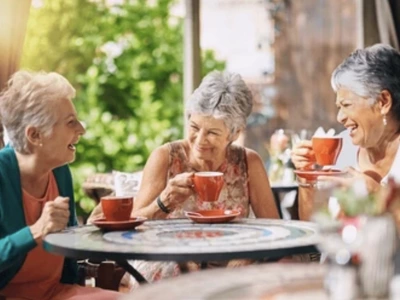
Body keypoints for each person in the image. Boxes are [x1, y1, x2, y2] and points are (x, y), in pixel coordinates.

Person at [89, 70, 278, 287]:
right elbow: (132, 226)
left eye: (213, 133)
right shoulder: (165, 157)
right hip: (165, 257)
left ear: (234, 134)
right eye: (194, 127)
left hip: (229, 260)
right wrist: (165, 202)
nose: (200, 140)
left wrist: (245, 257)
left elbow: (272, 229)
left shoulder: (248, 162)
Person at [0, 71, 121, 299]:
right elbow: (39, 232)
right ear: (35, 135)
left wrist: (95, 228)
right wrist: (35, 231)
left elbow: (67, 242)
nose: (81, 130)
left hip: (56, 293)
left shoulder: (60, 172)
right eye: (70, 122)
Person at [291, 43, 400, 220]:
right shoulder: (341, 147)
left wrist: (377, 193)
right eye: (338, 107)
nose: (340, 117)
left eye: (347, 105)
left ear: (383, 102)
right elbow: (314, 226)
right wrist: (307, 177)